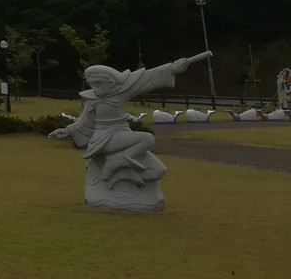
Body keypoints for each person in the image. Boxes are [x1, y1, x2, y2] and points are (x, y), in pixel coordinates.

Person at [49, 52, 210, 199]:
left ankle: (118, 177)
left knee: (158, 170)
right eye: (93, 86)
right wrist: (68, 130)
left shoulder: (122, 90)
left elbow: (149, 77)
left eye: (99, 85)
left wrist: (172, 69)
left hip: (122, 133)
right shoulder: (94, 99)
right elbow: (84, 121)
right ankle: (115, 163)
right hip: (105, 138)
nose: (96, 89)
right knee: (147, 138)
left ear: (111, 81)